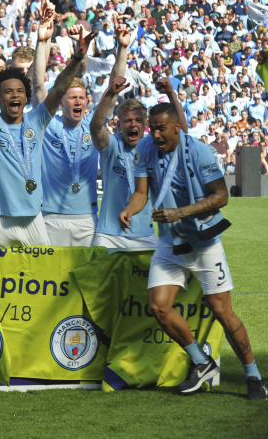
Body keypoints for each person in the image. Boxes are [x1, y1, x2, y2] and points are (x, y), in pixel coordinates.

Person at [120, 103, 266, 400]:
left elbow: (221, 196)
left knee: (222, 311)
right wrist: (129, 210)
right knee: (159, 307)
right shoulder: (145, 149)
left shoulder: (199, 151)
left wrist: (181, 212)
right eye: (153, 128)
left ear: (177, 127)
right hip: (170, 243)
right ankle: (202, 362)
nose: (155, 134)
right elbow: (141, 193)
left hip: (204, 244)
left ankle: (253, 375)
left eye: (161, 129)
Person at [0, 4, 96, 246]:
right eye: (7, 92)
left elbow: (59, 88)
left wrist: (78, 57)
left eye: (19, 91)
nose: (14, 95)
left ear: (25, 98)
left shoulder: (36, 120)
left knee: (42, 282)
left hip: (33, 220)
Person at [40, 20, 125, 246]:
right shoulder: (49, 125)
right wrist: (44, 41)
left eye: (82, 97)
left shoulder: (92, 124)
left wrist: (123, 48)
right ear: (61, 102)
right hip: (50, 218)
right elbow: (39, 86)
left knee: (86, 278)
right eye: (72, 98)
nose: (79, 101)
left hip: (87, 218)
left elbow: (113, 89)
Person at [91, 72, 186, 249]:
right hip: (108, 234)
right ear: (119, 125)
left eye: (138, 120)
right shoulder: (112, 144)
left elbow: (181, 132)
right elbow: (96, 128)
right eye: (127, 121)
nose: (133, 124)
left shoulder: (154, 145)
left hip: (145, 234)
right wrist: (110, 94)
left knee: (152, 277)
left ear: (146, 124)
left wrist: (171, 95)